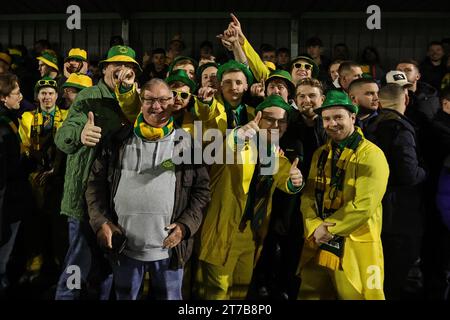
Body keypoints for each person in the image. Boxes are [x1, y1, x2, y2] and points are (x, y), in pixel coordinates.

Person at [85, 78, 210, 300]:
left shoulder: (187, 144)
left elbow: (202, 192)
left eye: (163, 100)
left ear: (173, 102)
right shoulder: (117, 140)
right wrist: (101, 222)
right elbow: (94, 186)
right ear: (140, 102)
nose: (156, 106)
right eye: (150, 100)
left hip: (170, 250)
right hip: (124, 247)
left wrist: (185, 226)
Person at [54, 45, 142, 300]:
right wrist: (80, 135)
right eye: (116, 64)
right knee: (77, 266)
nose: (122, 70)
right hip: (84, 202)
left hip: (116, 204)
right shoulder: (89, 96)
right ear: (104, 68)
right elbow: (63, 136)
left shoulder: (136, 101)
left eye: (129, 67)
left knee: (106, 271)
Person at [195, 95, 304, 300]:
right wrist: (238, 135)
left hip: (252, 234)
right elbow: (228, 148)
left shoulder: (274, 153)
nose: (275, 125)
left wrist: (294, 181)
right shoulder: (239, 144)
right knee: (217, 293)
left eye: (281, 121)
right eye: (270, 119)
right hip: (223, 230)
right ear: (258, 118)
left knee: (240, 292)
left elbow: (283, 176)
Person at [297, 90, 389, 300]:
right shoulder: (320, 154)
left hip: (356, 245)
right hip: (319, 242)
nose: (332, 124)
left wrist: (327, 229)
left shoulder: (372, 154)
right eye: (327, 119)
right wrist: (313, 226)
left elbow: (364, 206)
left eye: (338, 117)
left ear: (353, 117)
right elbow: (308, 197)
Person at [365, 83, 427, 300]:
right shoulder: (400, 129)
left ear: (378, 102)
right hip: (399, 212)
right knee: (396, 272)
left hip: (376, 209)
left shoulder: (370, 126)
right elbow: (409, 173)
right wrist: (425, 172)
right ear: (406, 100)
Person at [18, 77, 69, 285]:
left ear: (57, 96)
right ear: (37, 96)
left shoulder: (66, 116)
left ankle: (61, 264)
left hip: (58, 179)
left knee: (58, 225)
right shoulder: (27, 117)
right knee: (35, 221)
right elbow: (24, 145)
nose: (47, 97)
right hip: (35, 177)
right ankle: (36, 262)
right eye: (43, 93)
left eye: (50, 93)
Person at [0, 74, 32, 295]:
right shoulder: (3, 128)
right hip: (7, 199)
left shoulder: (9, 118)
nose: (20, 97)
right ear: (3, 98)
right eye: (16, 93)